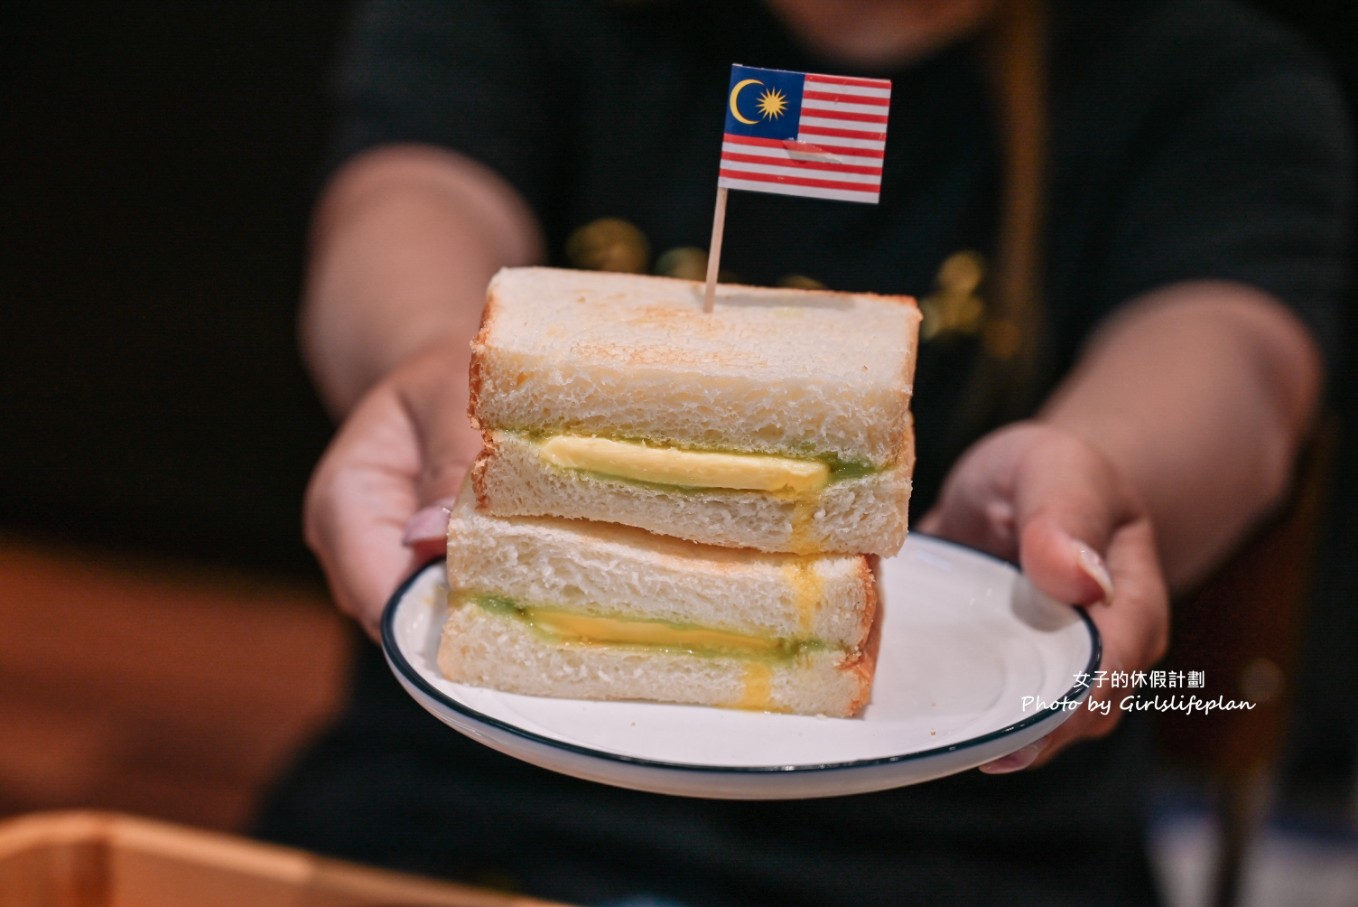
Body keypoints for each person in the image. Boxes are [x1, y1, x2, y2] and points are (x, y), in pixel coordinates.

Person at [256, 1, 1350, 904]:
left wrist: (1097, 462)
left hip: (961, 860)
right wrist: (424, 357)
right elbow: (408, 194)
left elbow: (1235, 360)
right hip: (459, 821)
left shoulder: (1206, 75)